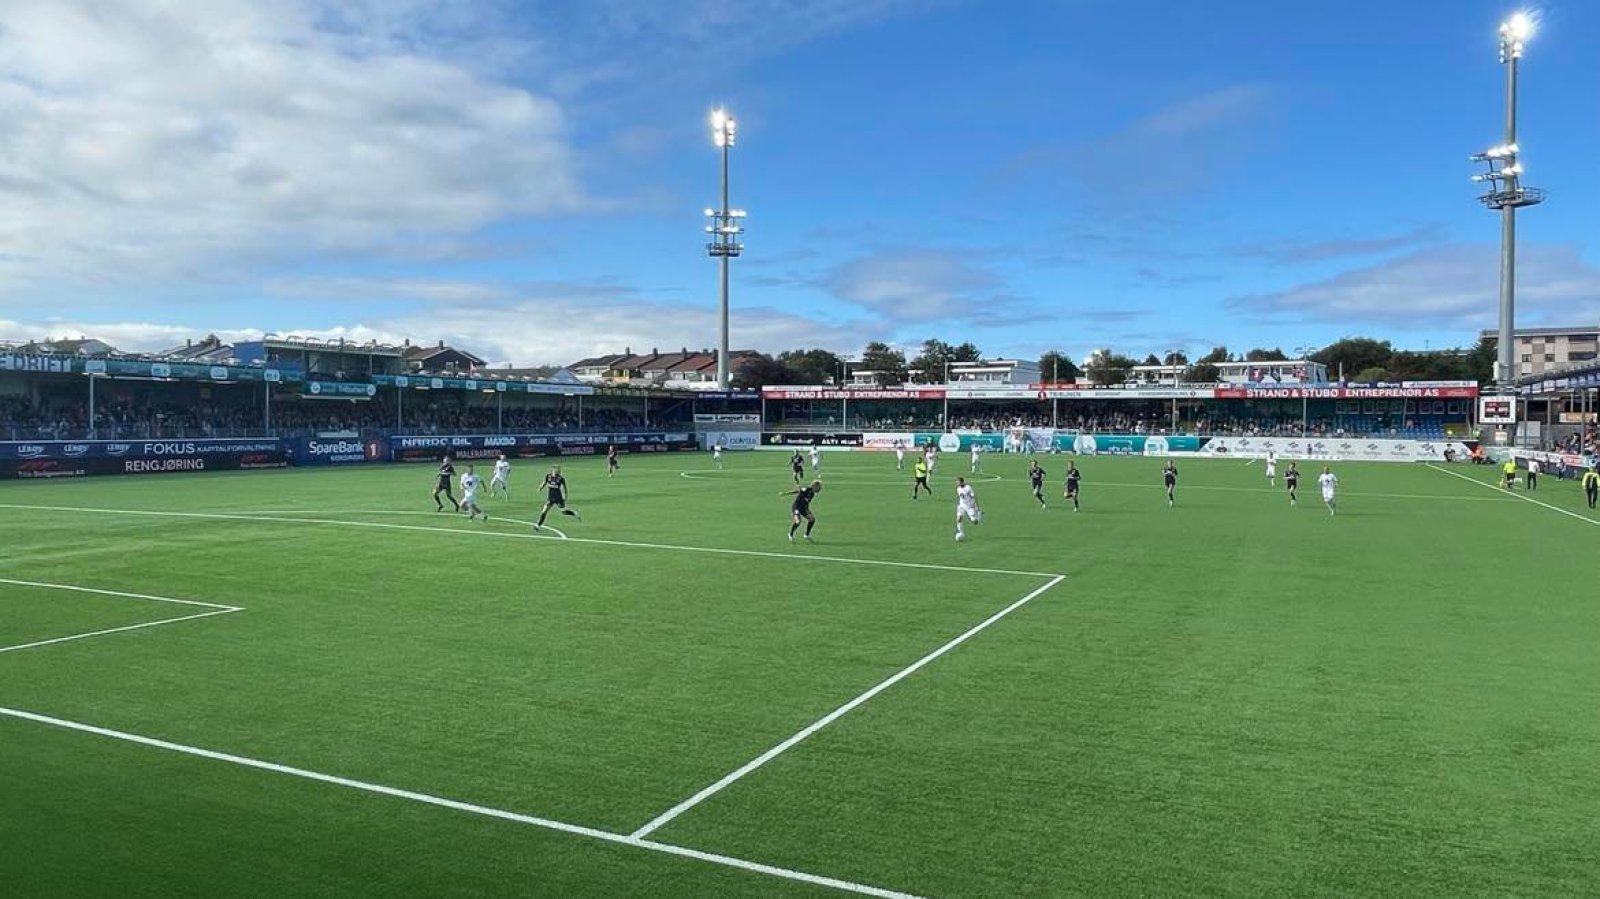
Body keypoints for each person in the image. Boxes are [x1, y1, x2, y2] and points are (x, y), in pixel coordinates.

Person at [535, 465, 581, 529]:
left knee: (563, 512)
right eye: (557, 470)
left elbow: (565, 488)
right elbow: (544, 482)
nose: (559, 471)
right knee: (544, 511)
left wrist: (565, 496)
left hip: (558, 498)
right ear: (553, 470)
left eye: (559, 470)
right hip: (550, 498)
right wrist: (540, 488)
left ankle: (574, 513)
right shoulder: (548, 476)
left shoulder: (561, 478)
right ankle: (538, 525)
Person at [954, 476, 982, 540]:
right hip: (962, 506)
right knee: (959, 519)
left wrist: (977, 507)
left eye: (958, 482)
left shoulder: (968, 488)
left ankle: (978, 517)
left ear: (962, 482)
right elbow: (961, 497)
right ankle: (961, 532)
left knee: (974, 522)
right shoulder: (958, 488)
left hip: (970, 507)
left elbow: (974, 496)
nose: (957, 483)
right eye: (957, 482)